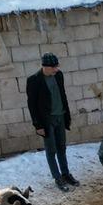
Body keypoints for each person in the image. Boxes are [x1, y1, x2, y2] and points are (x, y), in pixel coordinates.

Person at [25, 53, 76, 192]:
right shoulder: (34, 80)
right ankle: (57, 177)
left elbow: (63, 94)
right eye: (53, 67)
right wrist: (38, 125)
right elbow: (32, 105)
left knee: (62, 147)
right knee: (51, 150)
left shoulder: (59, 76)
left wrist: (67, 116)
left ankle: (65, 174)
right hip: (46, 121)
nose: (56, 69)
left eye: (56, 66)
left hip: (60, 116)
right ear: (45, 67)